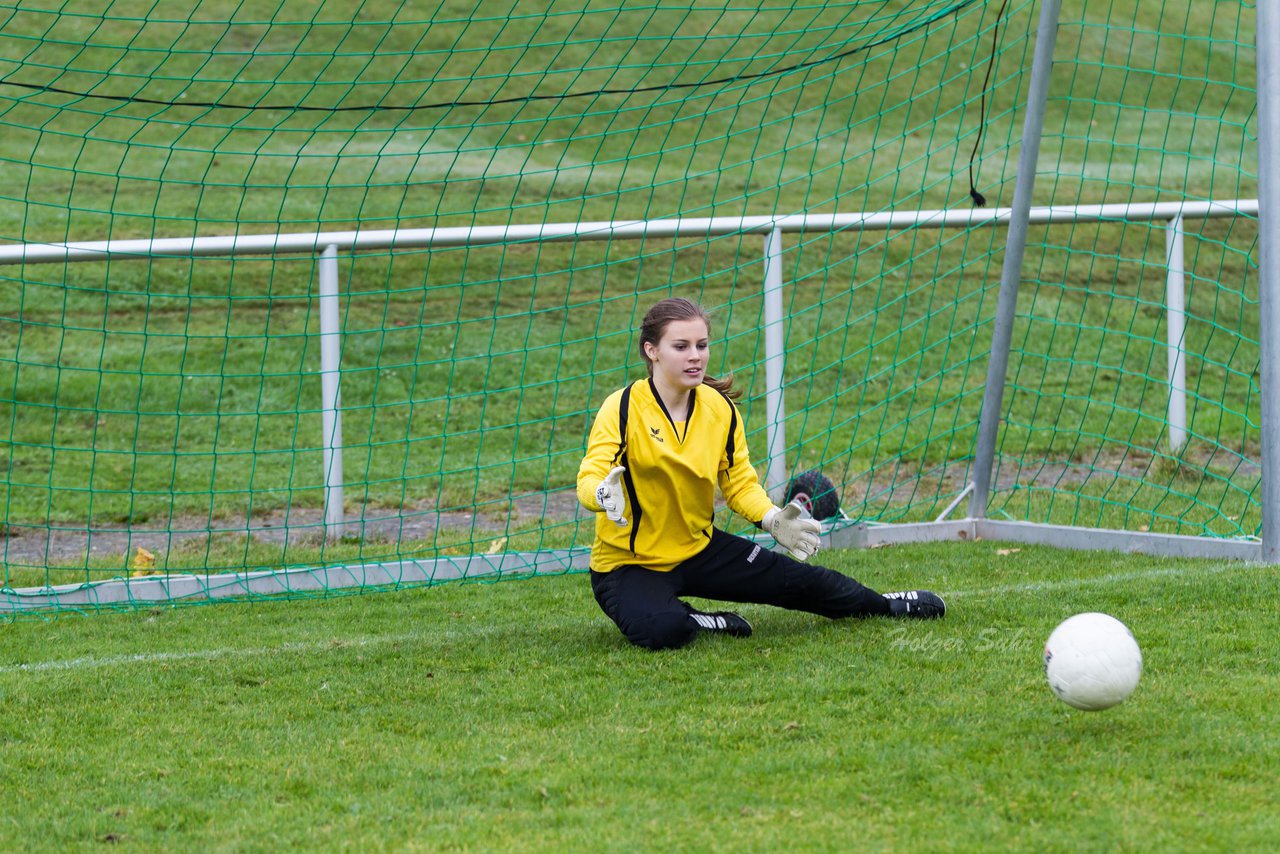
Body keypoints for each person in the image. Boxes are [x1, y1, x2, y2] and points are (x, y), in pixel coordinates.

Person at [576, 296, 945, 650]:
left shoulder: (720, 409)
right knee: (663, 629)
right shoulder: (622, 407)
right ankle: (701, 620)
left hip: (698, 549)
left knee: (798, 581)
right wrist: (601, 495)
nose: (695, 356)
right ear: (651, 351)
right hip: (626, 565)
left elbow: (739, 485)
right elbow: (590, 476)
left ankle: (885, 604)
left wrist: (772, 519)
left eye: (701, 345)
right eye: (681, 346)